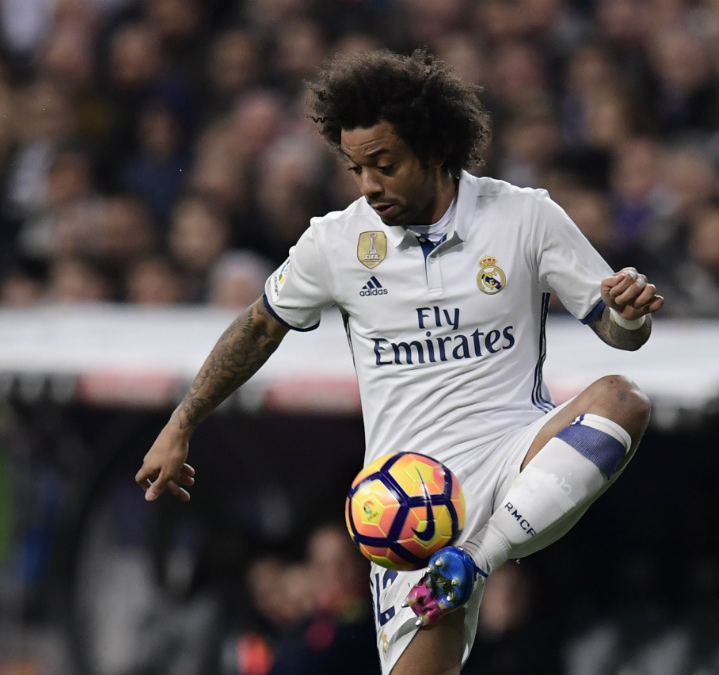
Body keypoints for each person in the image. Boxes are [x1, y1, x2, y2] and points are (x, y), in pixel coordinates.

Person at [135, 49, 663, 675]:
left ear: (436, 149)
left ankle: (475, 559)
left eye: (384, 165)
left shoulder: (525, 217)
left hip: (515, 451)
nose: (368, 185)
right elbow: (258, 326)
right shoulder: (335, 242)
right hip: (410, 500)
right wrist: (181, 423)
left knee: (622, 399)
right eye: (356, 167)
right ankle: (453, 561)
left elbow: (619, 331)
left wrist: (629, 314)